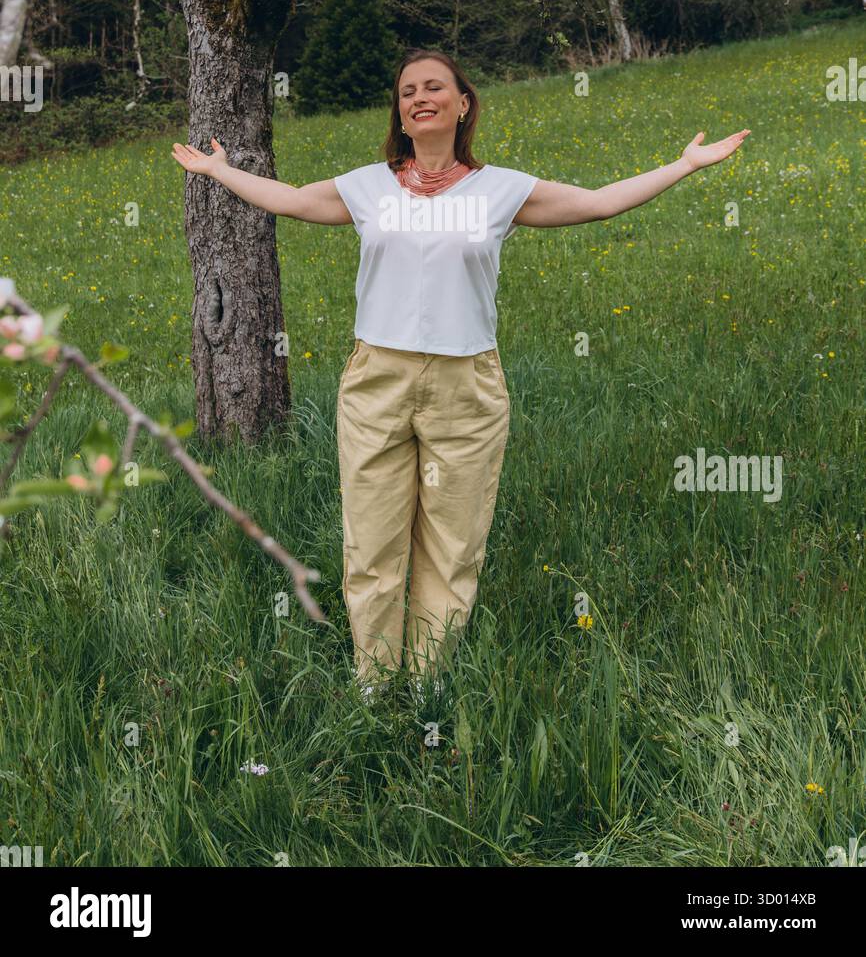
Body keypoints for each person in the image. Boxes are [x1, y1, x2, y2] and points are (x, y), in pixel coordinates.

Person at [172, 48, 750, 698]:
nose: (419, 97)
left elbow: (598, 204)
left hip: (466, 385)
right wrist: (222, 173)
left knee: (452, 546)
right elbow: (293, 200)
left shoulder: (500, 189)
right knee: (372, 544)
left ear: (462, 103)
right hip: (377, 381)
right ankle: (373, 685)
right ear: (400, 112)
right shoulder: (369, 185)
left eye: (434, 87)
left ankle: (425, 686)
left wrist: (682, 165)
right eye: (407, 91)